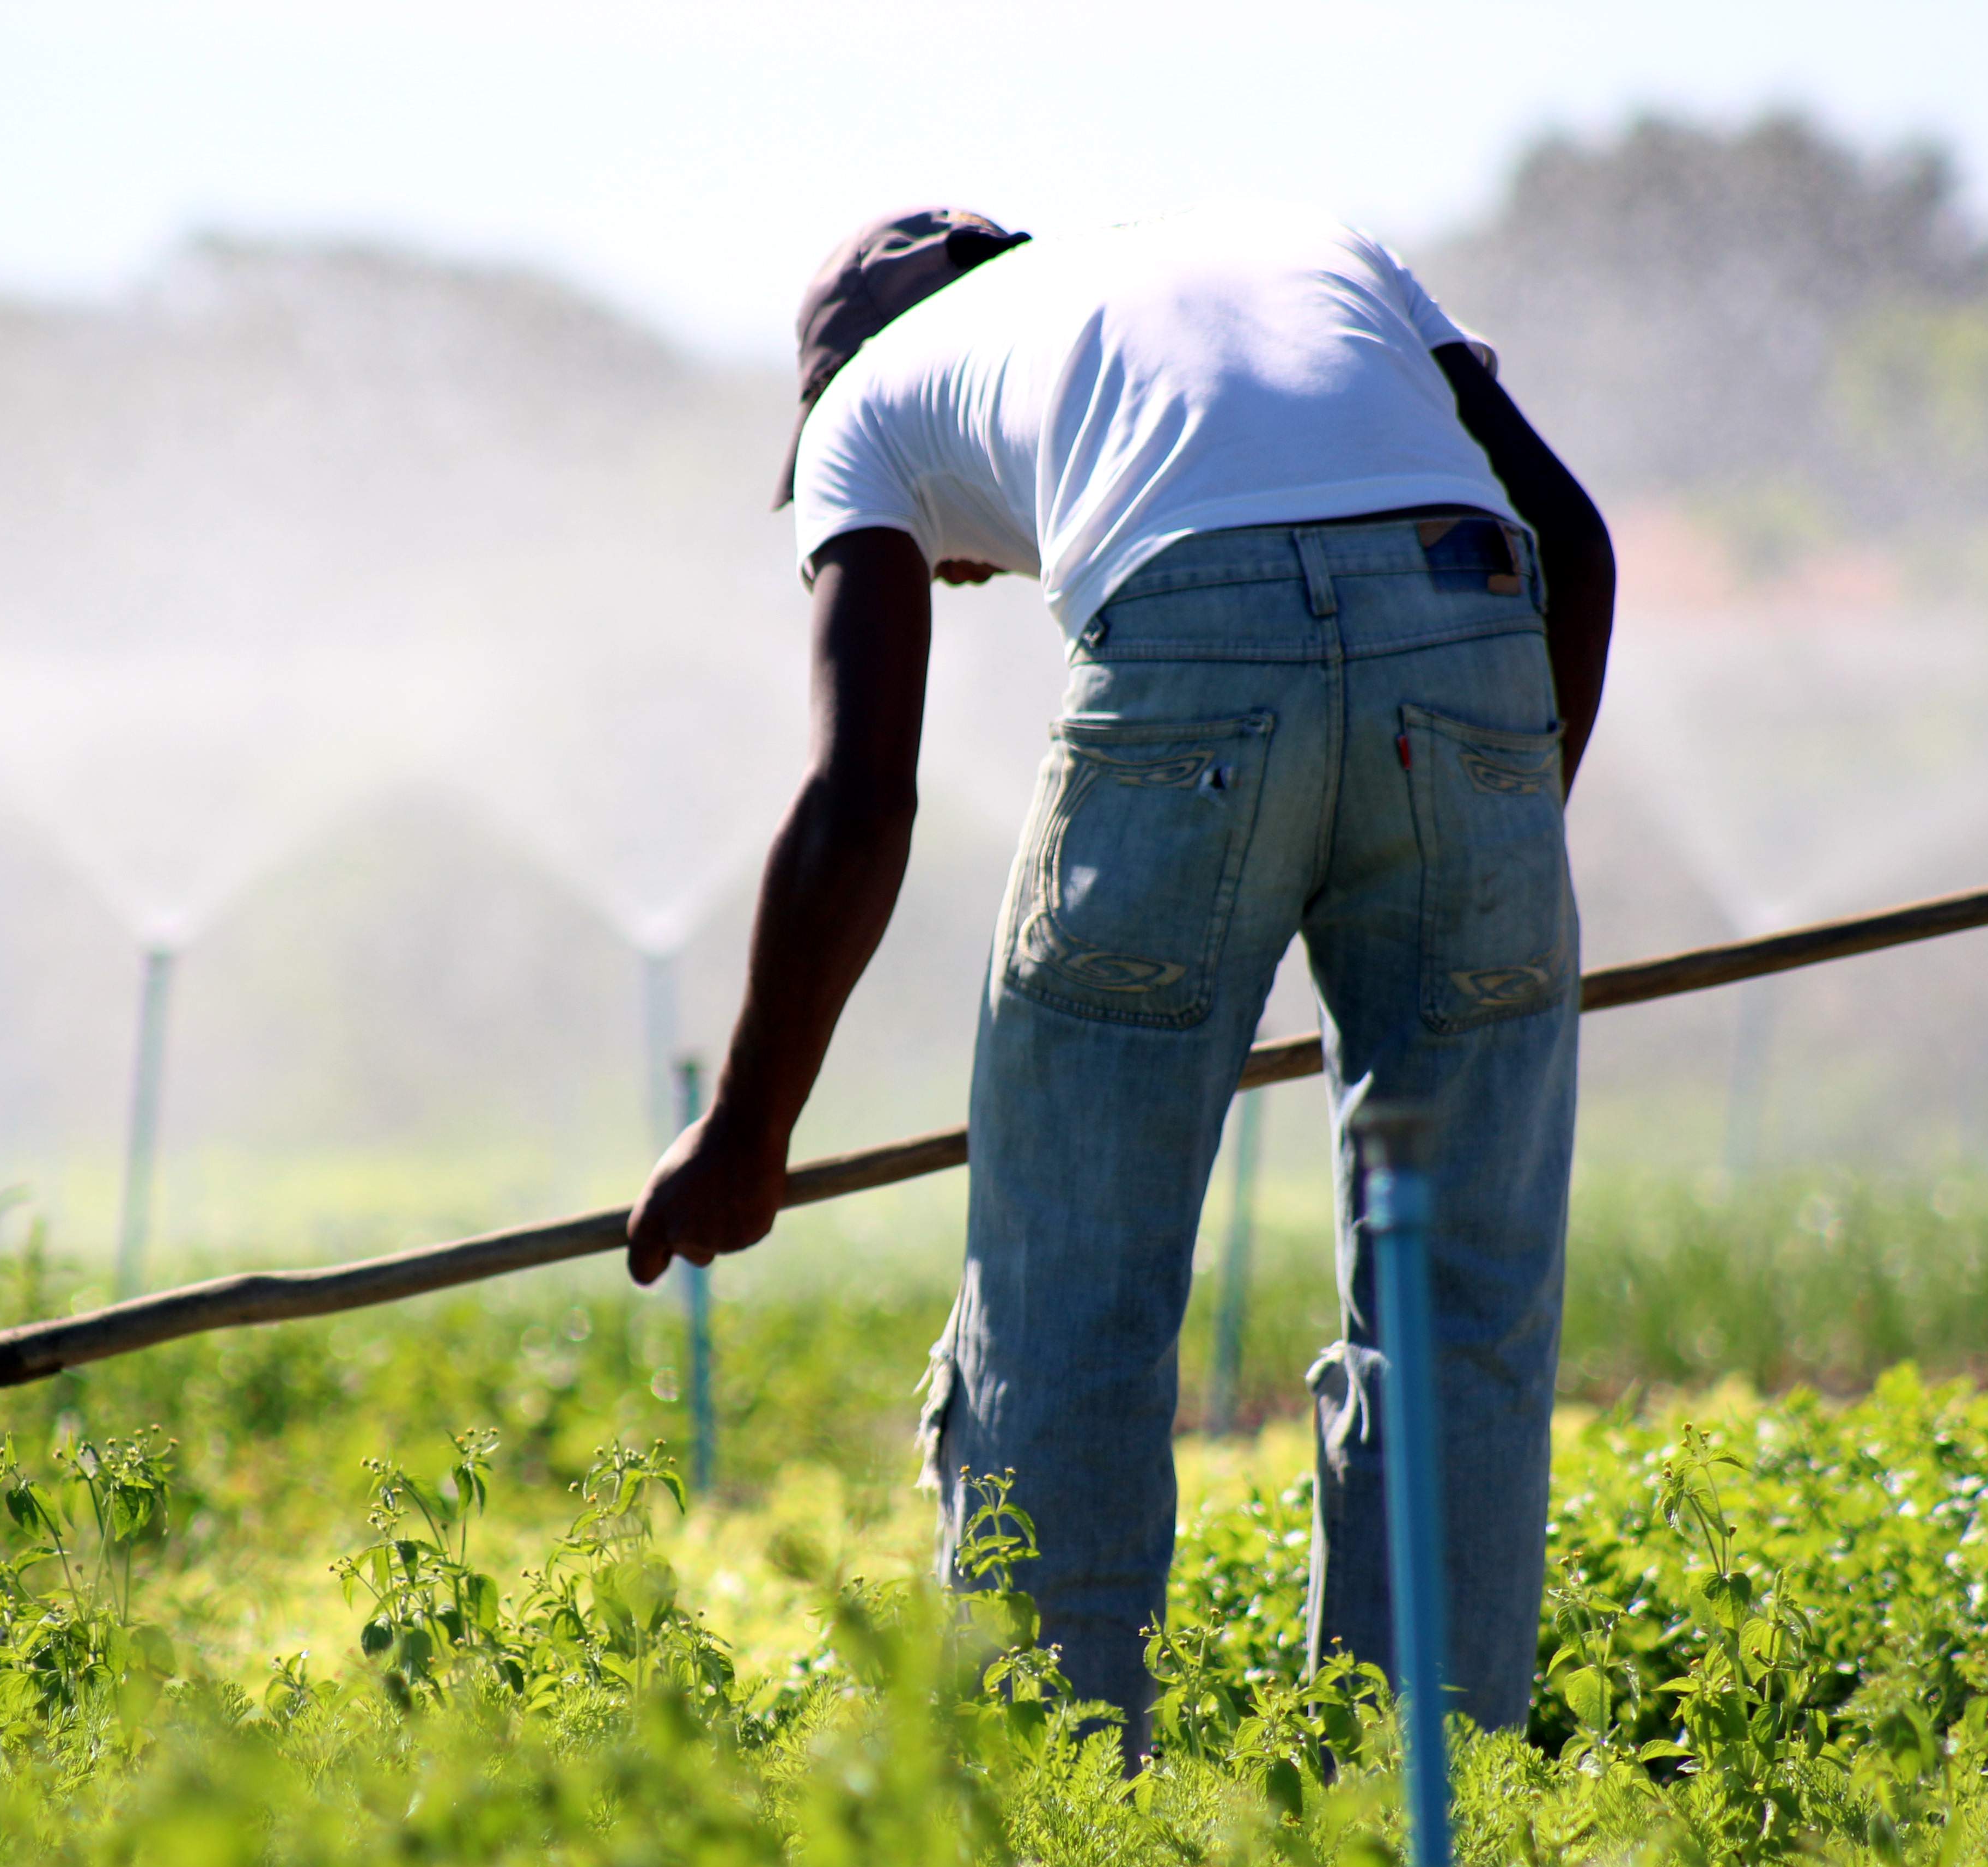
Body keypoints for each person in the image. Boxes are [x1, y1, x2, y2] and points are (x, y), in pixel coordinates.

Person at [624, 202, 1614, 1761]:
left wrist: (747, 1129)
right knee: (1460, 1314)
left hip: (1189, 650)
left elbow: (859, 798)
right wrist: (1486, 876)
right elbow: (1578, 544)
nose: (960, 574)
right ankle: (1426, 1815)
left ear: (839, 364)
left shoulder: (870, 405)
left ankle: (1069, 1812)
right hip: (1476, 629)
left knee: (1068, 1303)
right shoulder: (1323, 257)